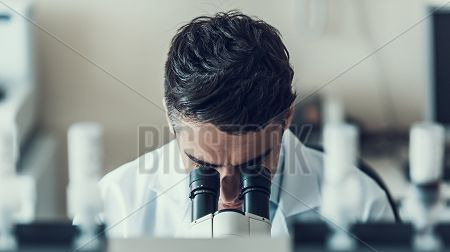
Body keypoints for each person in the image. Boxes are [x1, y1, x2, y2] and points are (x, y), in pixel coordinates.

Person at [97, 11, 394, 238]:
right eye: (203, 166)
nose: (228, 195)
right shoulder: (117, 204)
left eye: (252, 165)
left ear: (287, 118)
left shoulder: (364, 207)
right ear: (169, 116)